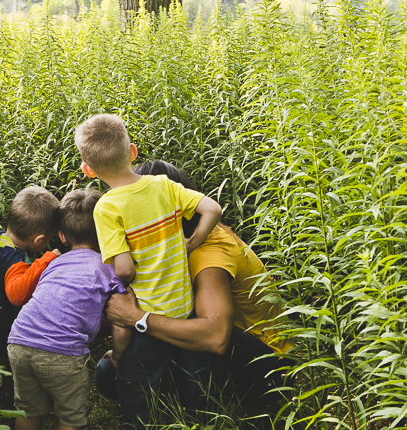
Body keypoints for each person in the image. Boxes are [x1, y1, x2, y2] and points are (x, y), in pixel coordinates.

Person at [74, 114, 223, 430]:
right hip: (184, 310)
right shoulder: (163, 185)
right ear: (132, 151)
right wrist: (191, 243)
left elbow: (125, 270)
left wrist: (114, 273)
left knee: (138, 385)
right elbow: (212, 209)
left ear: (88, 169)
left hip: (147, 315)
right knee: (195, 380)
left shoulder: (107, 207)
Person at [99, 160, 291, 407]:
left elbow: (215, 337)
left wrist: (138, 318)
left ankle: (200, 423)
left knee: (187, 321)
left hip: (268, 365)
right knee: (108, 370)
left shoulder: (207, 255)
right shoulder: (179, 243)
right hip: (236, 353)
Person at [7, 190, 125, 430]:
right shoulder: (108, 268)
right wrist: (119, 356)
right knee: (71, 417)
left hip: (19, 339)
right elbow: (121, 320)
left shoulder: (53, 261)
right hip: (62, 351)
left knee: (27, 407)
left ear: (60, 235)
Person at [0, 186, 61, 402]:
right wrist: (46, 259)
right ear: (39, 240)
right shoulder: (15, 262)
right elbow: (17, 293)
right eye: (49, 239)